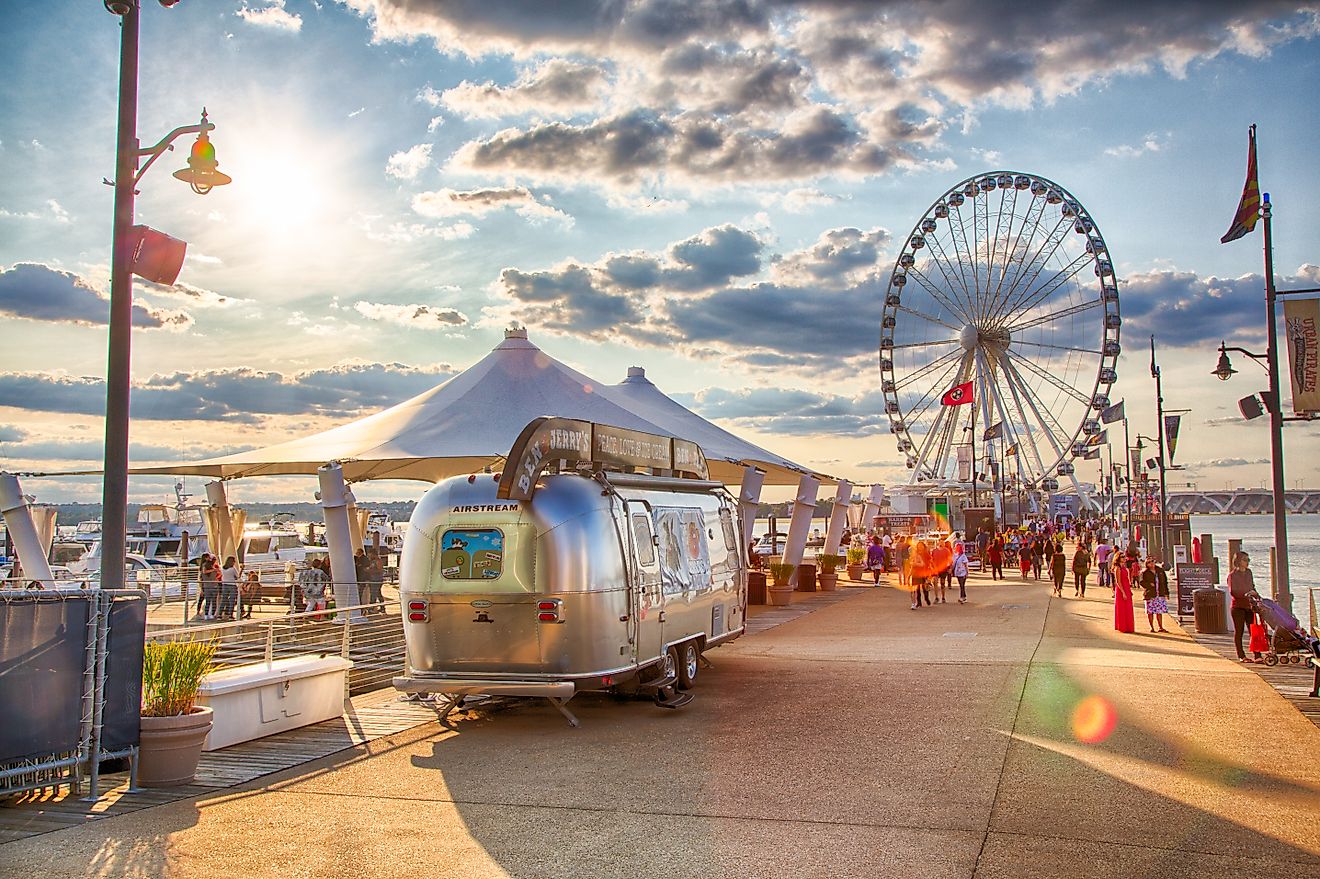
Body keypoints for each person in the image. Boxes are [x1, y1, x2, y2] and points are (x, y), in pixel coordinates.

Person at [1228, 552, 1261, 662]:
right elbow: (1233, 591)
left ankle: (1257, 655)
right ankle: (1241, 655)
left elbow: (1252, 585)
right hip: (1237, 607)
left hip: (1249, 606)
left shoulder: (1248, 573)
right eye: (1245, 560)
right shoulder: (1232, 575)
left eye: (1248, 560)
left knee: (1254, 630)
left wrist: (1256, 595)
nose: (1247, 562)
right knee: (1239, 631)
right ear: (1238, 561)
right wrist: (1246, 594)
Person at [1140, 559, 1170, 633]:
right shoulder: (1145, 572)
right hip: (1150, 594)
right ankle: (1152, 627)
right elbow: (1141, 582)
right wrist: (1149, 585)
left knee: (1159, 611)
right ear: (1146, 564)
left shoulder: (1160, 571)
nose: (1151, 563)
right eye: (1149, 562)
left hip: (1159, 593)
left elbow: (1165, 582)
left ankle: (1160, 627)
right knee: (1150, 612)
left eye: (1152, 561)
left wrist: (1167, 593)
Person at [1112, 554, 1135, 633]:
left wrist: (1129, 590)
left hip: (1126, 588)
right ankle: (1122, 626)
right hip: (1121, 589)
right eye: (1122, 557)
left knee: (1128, 607)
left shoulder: (1124, 567)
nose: (1124, 558)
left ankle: (1128, 626)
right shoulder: (1117, 568)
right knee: (1122, 607)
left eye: (1124, 557)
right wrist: (1123, 592)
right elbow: (1118, 581)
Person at [910, 540, 931, 609]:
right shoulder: (915, 554)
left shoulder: (926, 553)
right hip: (917, 572)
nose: (920, 547)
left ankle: (926, 598)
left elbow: (929, 561)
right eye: (919, 546)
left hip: (924, 571)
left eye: (921, 546)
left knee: (925, 587)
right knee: (917, 588)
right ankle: (919, 602)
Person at [218, 556, 240, 621]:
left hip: (224, 585)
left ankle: (219, 614)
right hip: (232, 585)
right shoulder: (232, 569)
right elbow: (237, 576)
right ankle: (230, 615)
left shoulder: (223, 568)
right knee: (232, 600)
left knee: (223, 600)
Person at [199, 556, 221, 620]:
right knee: (214, 601)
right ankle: (212, 614)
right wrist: (216, 578)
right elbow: (219, 573)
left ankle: (206, 614)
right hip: (214, 586)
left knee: (207, 601)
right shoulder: (214, 570)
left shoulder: (204, 571)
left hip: (206, 586)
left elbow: (204, 572)